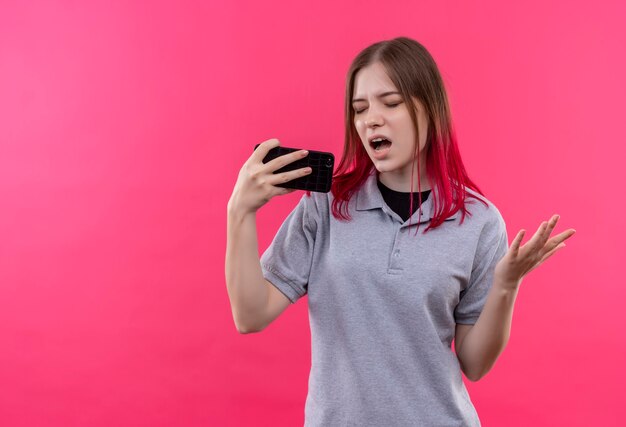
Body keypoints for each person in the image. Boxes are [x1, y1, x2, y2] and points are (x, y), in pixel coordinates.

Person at [225, 36, 576, 427]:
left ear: (430, 109)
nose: (370, 119)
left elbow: (474, 364)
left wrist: (506, 285)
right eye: (359, 109)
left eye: (390, 103)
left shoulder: (479, 221)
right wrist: (240, 211)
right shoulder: (327, 206)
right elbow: (250, 314)